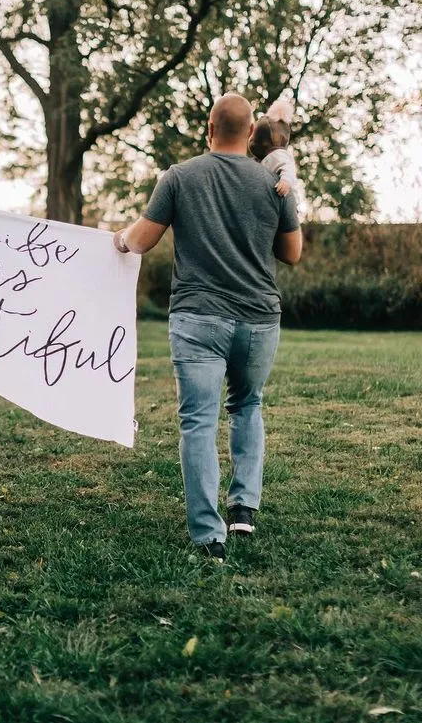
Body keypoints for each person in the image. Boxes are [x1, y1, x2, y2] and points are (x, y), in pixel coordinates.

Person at [113, 93, 302, 563]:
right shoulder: (274, 181)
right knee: (247, 405)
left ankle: (207, 536)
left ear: (210, 128)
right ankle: (243, 510)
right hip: (260, 319)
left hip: (198, 318)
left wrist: (117, 239)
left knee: (198, 421)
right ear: (252, 132)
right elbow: (293, 253)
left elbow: (140, 240)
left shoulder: (180, 176)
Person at [250, 96, 303, 206]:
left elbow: (288, 169)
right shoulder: (261, 159)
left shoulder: (279, 154)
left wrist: (285, 182)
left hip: (286, 196)